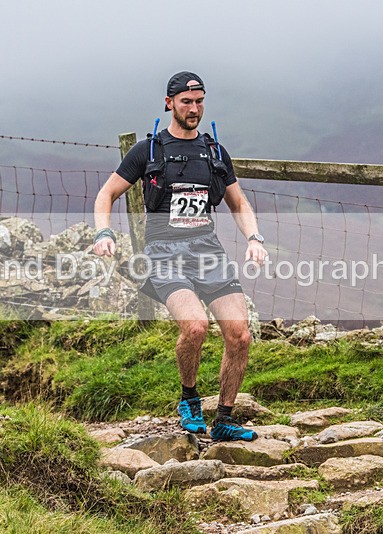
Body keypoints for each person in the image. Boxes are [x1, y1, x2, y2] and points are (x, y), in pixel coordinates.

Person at [92, 71, 267, 442]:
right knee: (196, 327)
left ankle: (224, 419)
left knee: (239, 335)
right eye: (186, 101)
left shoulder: (215, 152)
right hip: (163, 253)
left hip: (207, 251)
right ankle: (189, 399)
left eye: (200, 101)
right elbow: (106, 194)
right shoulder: (148, 151)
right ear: (169, 103)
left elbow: (239, 202)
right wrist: (104, 231)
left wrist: (253, 237)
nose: (194, 108)